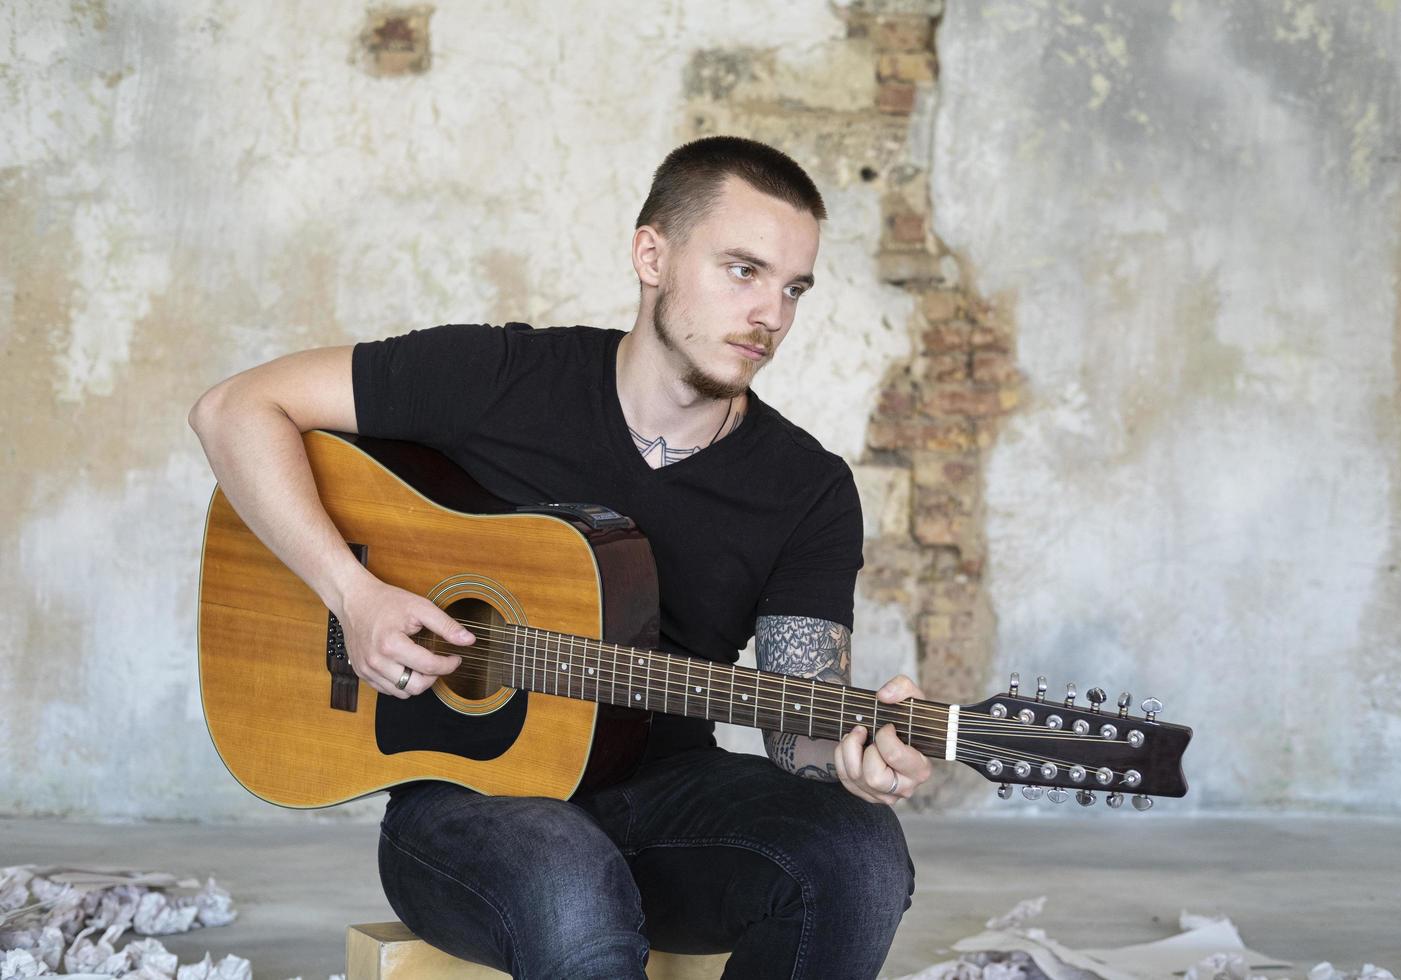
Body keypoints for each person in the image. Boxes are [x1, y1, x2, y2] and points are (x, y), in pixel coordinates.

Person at [189, 135, 932, 979]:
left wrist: (851, 750)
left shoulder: (806, 487)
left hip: (667, 806)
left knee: (862, 853)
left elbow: (796, 734)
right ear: (651, 254)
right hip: (467, 810)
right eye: (743, 271)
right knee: (571, 882)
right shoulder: (502, 375)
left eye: (794, 288)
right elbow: (235, 410)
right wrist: (353, 594)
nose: (772, 314)